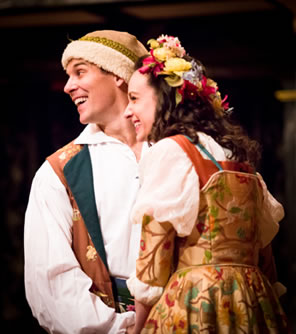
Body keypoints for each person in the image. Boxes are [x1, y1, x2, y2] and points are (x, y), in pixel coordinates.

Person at [124, 35, 290, 333]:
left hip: (198, 299)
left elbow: (154, 259)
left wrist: (138, 327)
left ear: (164, 98)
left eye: (134, 98)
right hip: (252, 300)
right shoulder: (235, 155)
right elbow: (265, 255)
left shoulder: (170, 151)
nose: (128, 111)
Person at [24, 30, 148, 333]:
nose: (68, 86)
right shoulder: (59, 171)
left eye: (80, 71)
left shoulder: (178, 151)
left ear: (119, 75)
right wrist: (121, 329)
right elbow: (50, 280)